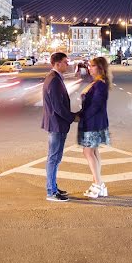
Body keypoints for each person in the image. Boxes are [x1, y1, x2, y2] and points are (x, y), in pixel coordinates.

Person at [42, 52, 75, 202]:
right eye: (65, 62)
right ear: (57, 64)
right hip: (56, 124)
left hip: (57, 123)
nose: (67, 64)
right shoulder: (54, 80)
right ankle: (51, 192)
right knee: (53, 158)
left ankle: (53, 187)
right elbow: (57, 107)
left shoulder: (55, 78)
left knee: (56, 157)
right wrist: (73, 117)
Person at [77, 56, 112, 199]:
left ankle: (97, 184)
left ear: (100, 68)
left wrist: (82, 115)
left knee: (87, 152)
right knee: (94, 152)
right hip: (94, 121)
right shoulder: (96, 83)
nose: (89, 68)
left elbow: (96, 105)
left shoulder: (100, 84)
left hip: (93, 123)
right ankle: (100, 185)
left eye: (92, 66)